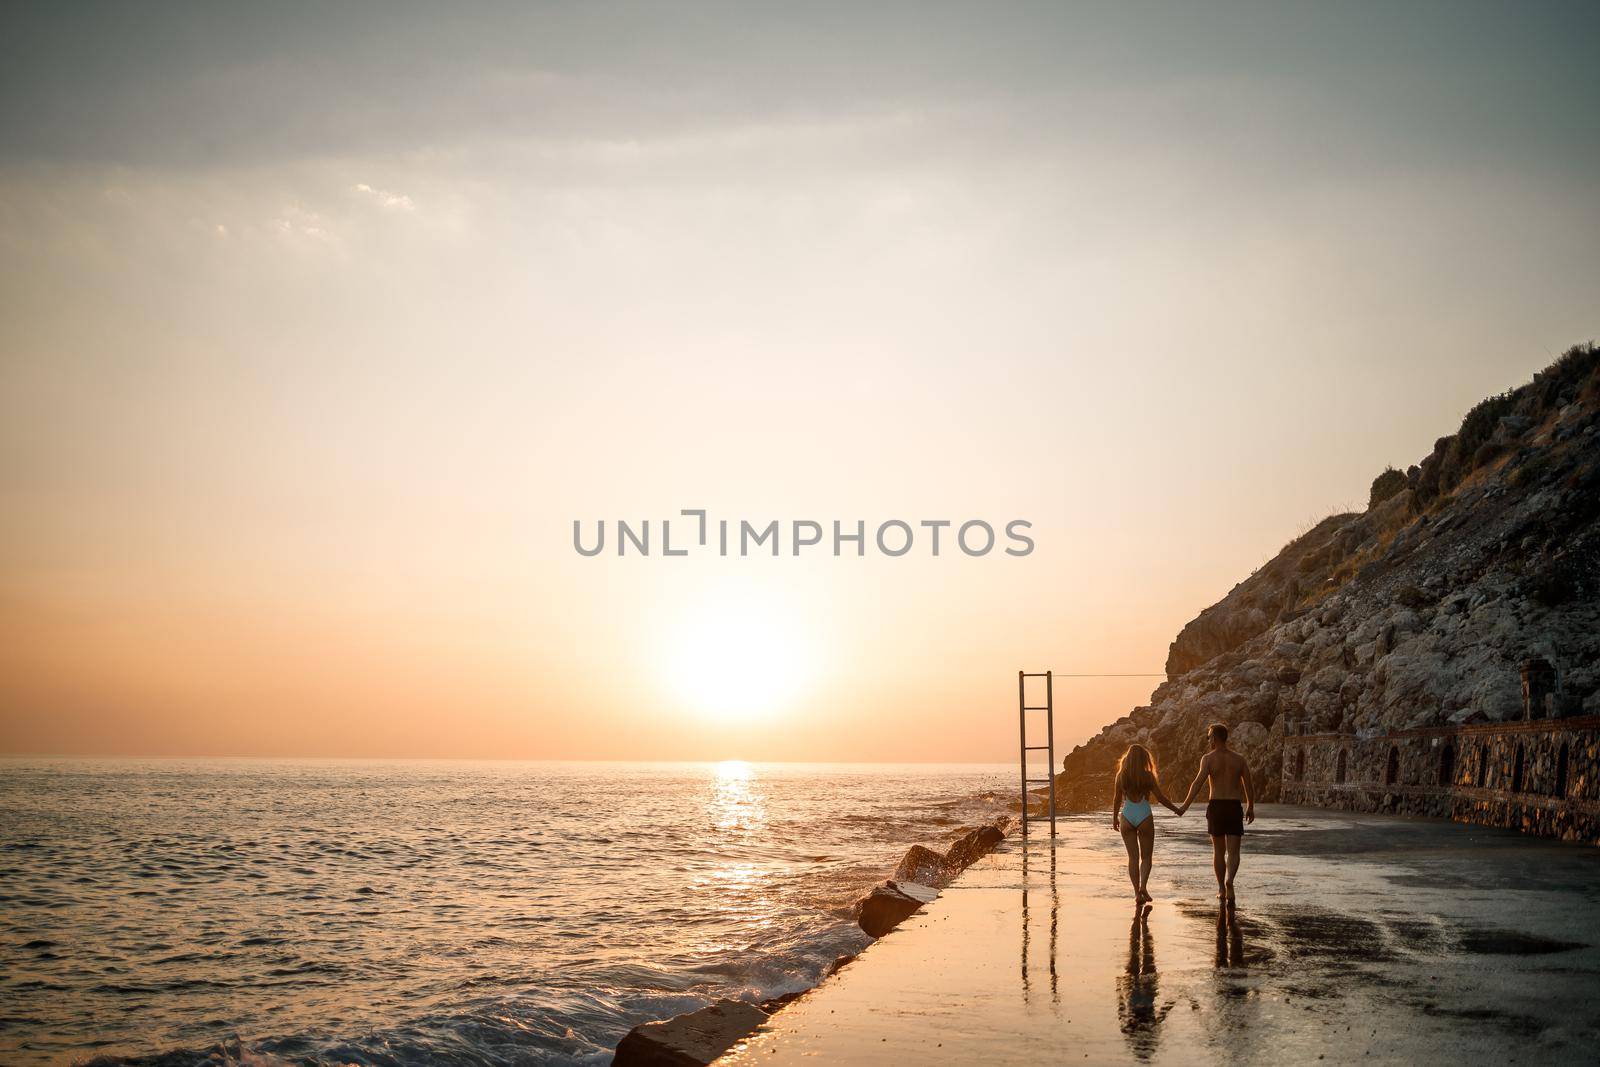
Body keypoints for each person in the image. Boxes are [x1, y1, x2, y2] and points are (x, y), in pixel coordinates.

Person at [1177, 722, 1256, 906]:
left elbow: (1197, 783)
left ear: (1214, 738)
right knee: (1234, 851)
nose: (1208, 740)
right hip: (1234, 806)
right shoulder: (1239, 759)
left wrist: (1184, 806)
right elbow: (1249, 785)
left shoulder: (1208, 759)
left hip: (1217, 807)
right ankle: (1230, 883)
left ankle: (1221, 887)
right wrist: (1251, 806)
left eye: (1209, 737)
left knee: (1219, 852)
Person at [1110, 744, 1182, 906]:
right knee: (1146, 857)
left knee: (1133, 858)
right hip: (1144, 815)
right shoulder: (1148, 776)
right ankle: (1143, 887)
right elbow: (1161, 798)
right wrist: (1176, 810)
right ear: (1144, 759)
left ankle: (1137, 893)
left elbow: (1116, 799)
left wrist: (1114, 818)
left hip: (1127, 816)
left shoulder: (1121, 775)